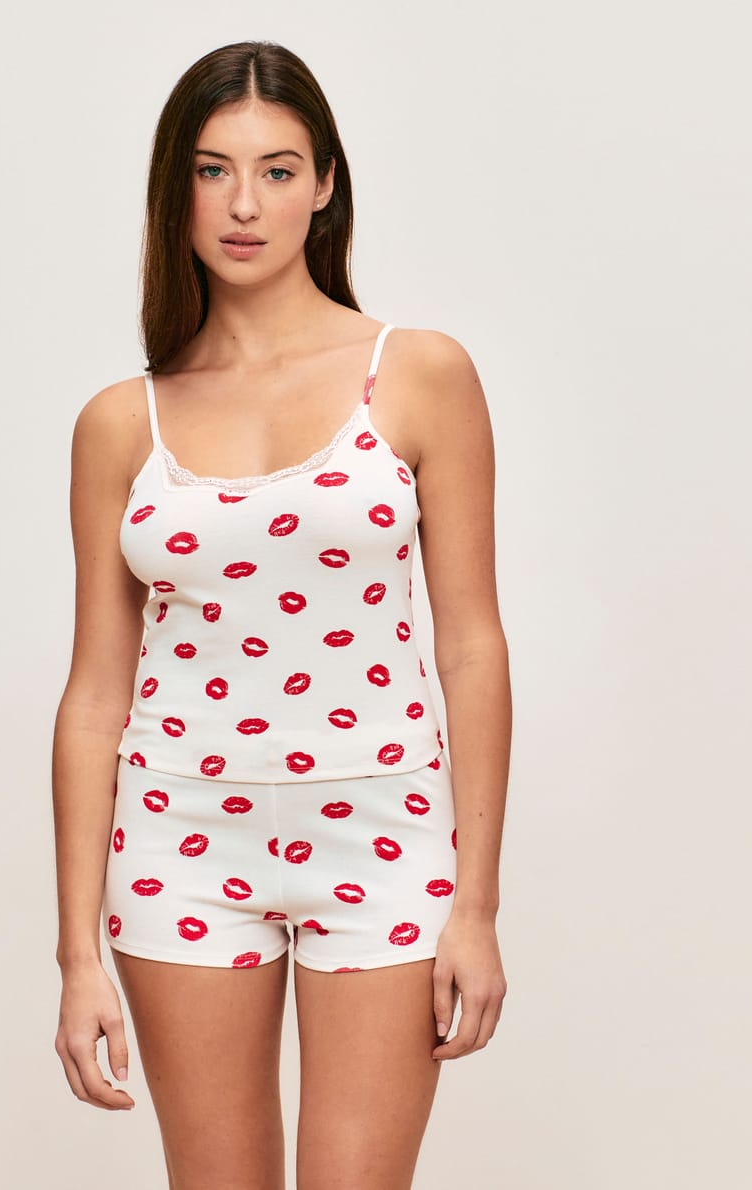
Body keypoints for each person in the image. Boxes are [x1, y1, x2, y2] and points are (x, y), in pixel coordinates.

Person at [52, 39, 511, 1190]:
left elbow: (470, 644)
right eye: (212, 171)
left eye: (276, 169)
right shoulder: (123, 421)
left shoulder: (418, 373)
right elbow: (96, 693)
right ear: (176, 193)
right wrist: (73, 954)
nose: (244, 204)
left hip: (384, 824)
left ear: (325, 184)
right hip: (179, 837)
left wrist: (477, 906)